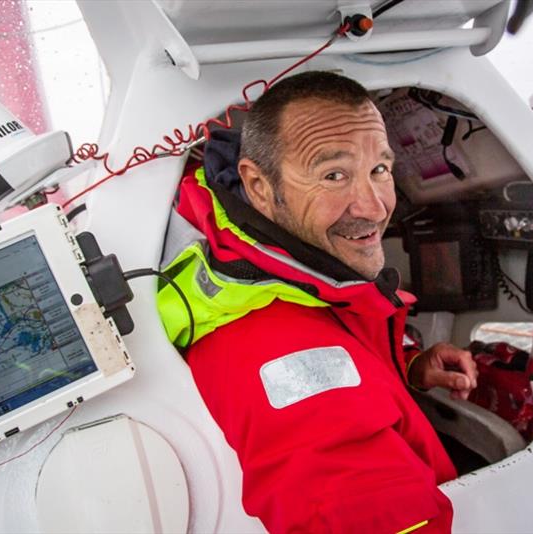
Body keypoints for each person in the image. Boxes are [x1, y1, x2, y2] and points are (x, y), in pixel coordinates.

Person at [156, 71, 478, 533]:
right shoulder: (279, 351)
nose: (373, 206)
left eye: (379, 170)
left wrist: (405, 369)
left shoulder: (277, 275)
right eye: (334, 175)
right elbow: (337, 460)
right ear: (260, 186)